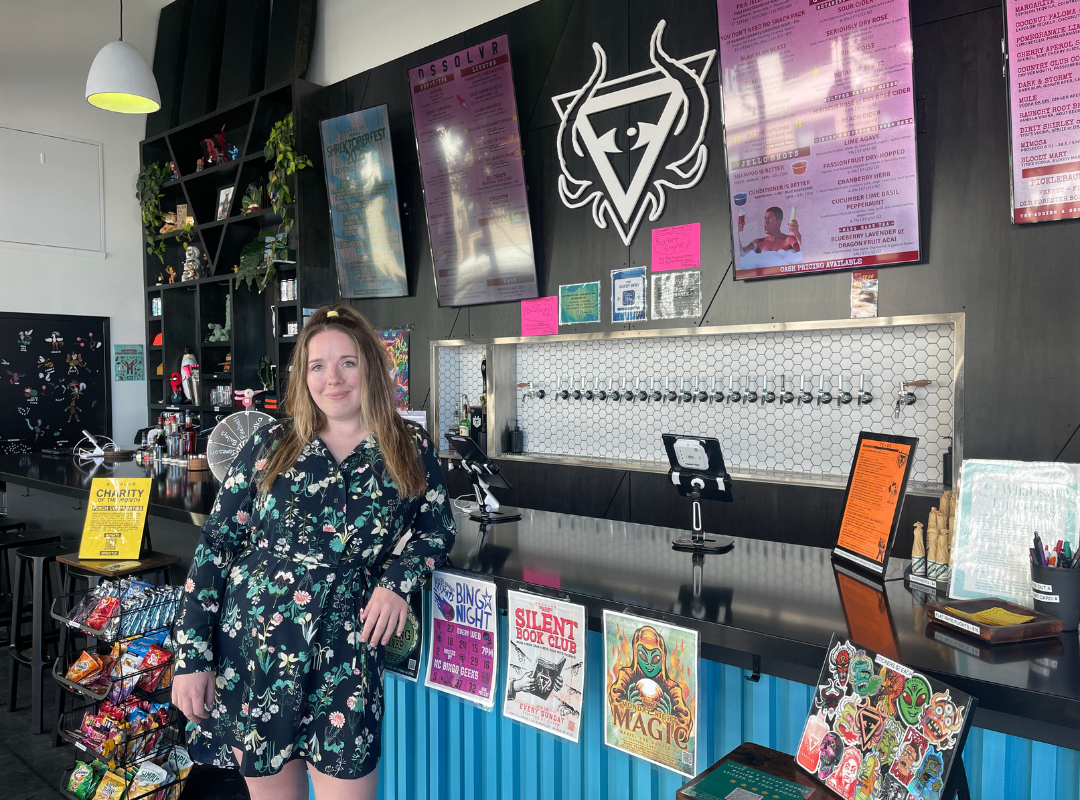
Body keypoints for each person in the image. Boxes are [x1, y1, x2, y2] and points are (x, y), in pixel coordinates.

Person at [171, 304, 456, 800]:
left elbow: (437, 529)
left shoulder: (409, 445)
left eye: (347, 362)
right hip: (259, 650)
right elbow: (216, 548)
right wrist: (192, 657)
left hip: (348, 653)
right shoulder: (269, 443)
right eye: (317, 366)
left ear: (370, 364)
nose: (333, 379)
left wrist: (397, 582)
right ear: (302, 376)